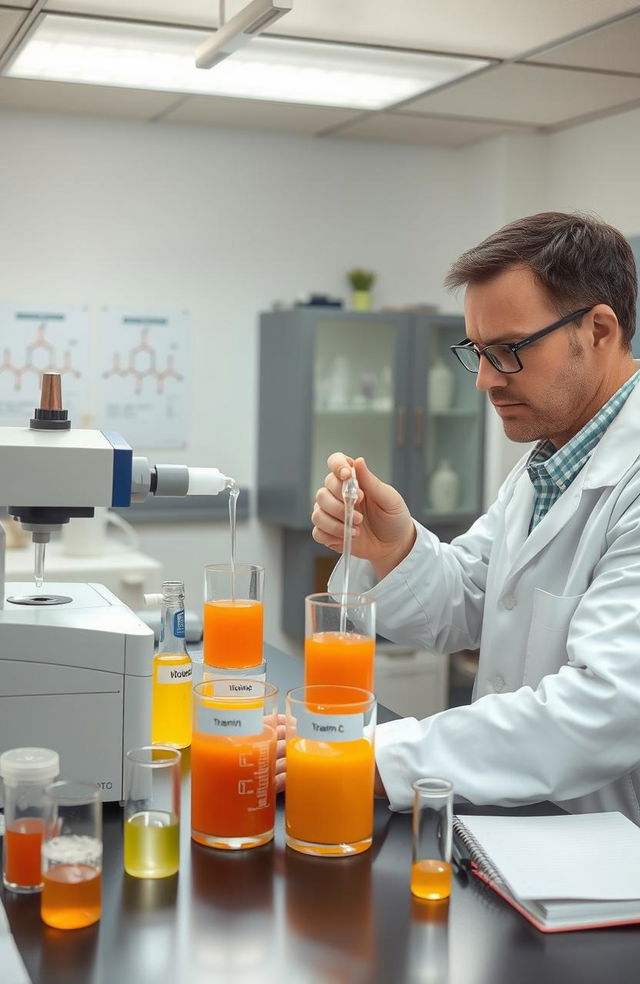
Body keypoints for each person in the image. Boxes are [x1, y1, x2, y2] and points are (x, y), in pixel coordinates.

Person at [311, 211, 640, 818]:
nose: (485, 381)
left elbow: (606, 706)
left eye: (509, 350)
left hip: (611, 861)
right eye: (477, 352)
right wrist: (395, 547)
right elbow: (476, 599)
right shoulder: (550, 461)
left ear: (598, 328)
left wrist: (375, 755)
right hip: (526, 828)